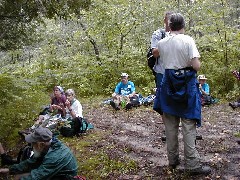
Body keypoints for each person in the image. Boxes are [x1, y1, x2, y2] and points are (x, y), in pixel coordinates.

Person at [155, 13, 211, 175]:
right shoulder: (188, 40)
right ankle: (192, 165)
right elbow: (196, 65)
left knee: (170, 125)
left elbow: (162, 60)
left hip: (168, 84)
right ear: (183, 25)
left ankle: (172, 161)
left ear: (170, 26)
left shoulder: (161, 43)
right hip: (186, 84)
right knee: (188, 124)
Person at [7, 126, 78, 179]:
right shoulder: (49, 145)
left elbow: (37, 177)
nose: (31, 146)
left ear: (41, 144)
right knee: (18, 176)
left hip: (65, 178)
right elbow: (31, 162)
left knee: (18, 177)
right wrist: (10, 170)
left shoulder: (54, 157)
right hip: (56, 173)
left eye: (33, 143)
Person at [151, 11, 173, 88]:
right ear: (165, 20)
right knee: (162, 98)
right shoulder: (158, 34)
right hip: (161, 72)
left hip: (176, 73)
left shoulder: (179, 35)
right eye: (169, 19)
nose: (171, 22)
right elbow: (155, 53)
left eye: (173, 20)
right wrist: (169, 41)